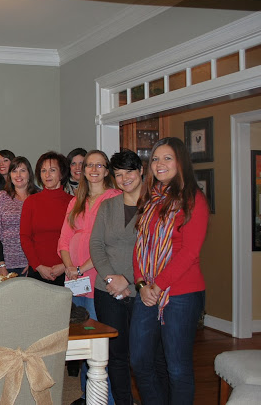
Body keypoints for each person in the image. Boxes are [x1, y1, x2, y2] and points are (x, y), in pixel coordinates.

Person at [130, 137, 208, 405]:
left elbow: (189, 252)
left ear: (181, 162)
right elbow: (141, 245)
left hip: (181, 294)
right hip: (148, 292)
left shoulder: (194, 200)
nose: (159, 164)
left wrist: (158, 284)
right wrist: (141, 284)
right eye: (155, 159)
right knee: (139, 360)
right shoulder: (151, 200)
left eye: (167, 158)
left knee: (177, 368)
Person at [58, 149, 119, 405]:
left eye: (99, 165)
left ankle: (109, 400)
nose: (93, 170)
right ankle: (87, 396)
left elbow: (109, 244)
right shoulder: (76, 200)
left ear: (107, 170)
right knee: (82, 344)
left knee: (99, 347)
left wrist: (82, 268)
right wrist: (70, 266)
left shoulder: (114, 199)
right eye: (88, 165)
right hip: (74, 281)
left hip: (98, 280)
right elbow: (64, 239)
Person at [89, 150, 143, 405]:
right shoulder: (108, 206)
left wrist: (129, 281)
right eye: (119, 174)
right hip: (107, 290)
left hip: (142, 291)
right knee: (116, 354)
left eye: (129, 172)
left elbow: (155, 252)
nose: (124, 179)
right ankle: (124, 401)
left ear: (141, 170)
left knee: (143, 355)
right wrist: (112, 279)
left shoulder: (154, 205)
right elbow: (96, 245)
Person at [20, 151, 73, 286]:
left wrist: (64, 265)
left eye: (52, 170)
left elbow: (78, 241)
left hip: (67, 271)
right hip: (37, 271)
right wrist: (38, 266)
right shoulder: (31, 202)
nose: (47, 175)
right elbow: (25, 237)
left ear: (61, 173)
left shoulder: (73, 203)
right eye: (43, 171)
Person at [0, 156, 38, 276]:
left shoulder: (38, 197)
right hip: (5, 266)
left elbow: (42, 234)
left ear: (29, 174)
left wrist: (34, 262)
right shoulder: (1, 196)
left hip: (32, 264)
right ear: (10, 175)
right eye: (14, 171)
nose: (18, 175)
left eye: (22, 170)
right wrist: (1, 265)